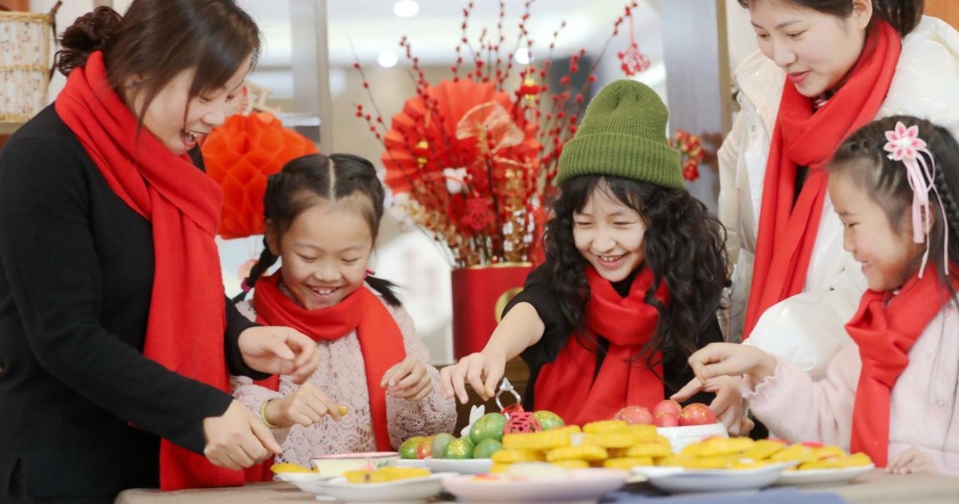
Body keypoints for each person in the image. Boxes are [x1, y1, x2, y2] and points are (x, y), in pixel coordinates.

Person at [0, 0, 323, 503]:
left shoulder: (176, 153)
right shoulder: (44, 159)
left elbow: (182, 287)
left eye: (228, 96)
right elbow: (65, 337)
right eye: (205, 95)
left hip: (158, 456)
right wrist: (202, 410)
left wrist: (241, 339)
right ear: (141, 70)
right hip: (66, 464)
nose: (217, 118)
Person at [720, 0, 959, 377]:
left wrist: (766, 357)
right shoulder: (765, 99)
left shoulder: (924, 110)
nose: (779, 55)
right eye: (762, 34)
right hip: (776, 378)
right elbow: (736, 248)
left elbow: (885, 275)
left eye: (794, 32)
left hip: (881, 378)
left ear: (859, 9)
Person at [439, 80, 743, 430]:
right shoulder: (566, 276)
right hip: (559, 458)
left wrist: (732, 392)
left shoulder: (686, 288)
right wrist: (495, 351)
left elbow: (712, 388)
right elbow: (534, 307)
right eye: (584, 223)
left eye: (620, 223)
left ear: (660, 221)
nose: (601, 243)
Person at [688, 116, 959, 475]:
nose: (847, 244)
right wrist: (761, 365)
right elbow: (830, 425)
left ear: (920, 218)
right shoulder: (876, 320)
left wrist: (945, 467)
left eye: (852, 224)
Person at [231, 153, 456, 478]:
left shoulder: (393, 317)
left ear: (371, 244)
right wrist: (275, 411)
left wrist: (419, 392)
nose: (327, 274)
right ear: (274, 237)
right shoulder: (244, 326)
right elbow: (216, 427)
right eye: (308, 257)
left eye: (349, 259)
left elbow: (423, 440)